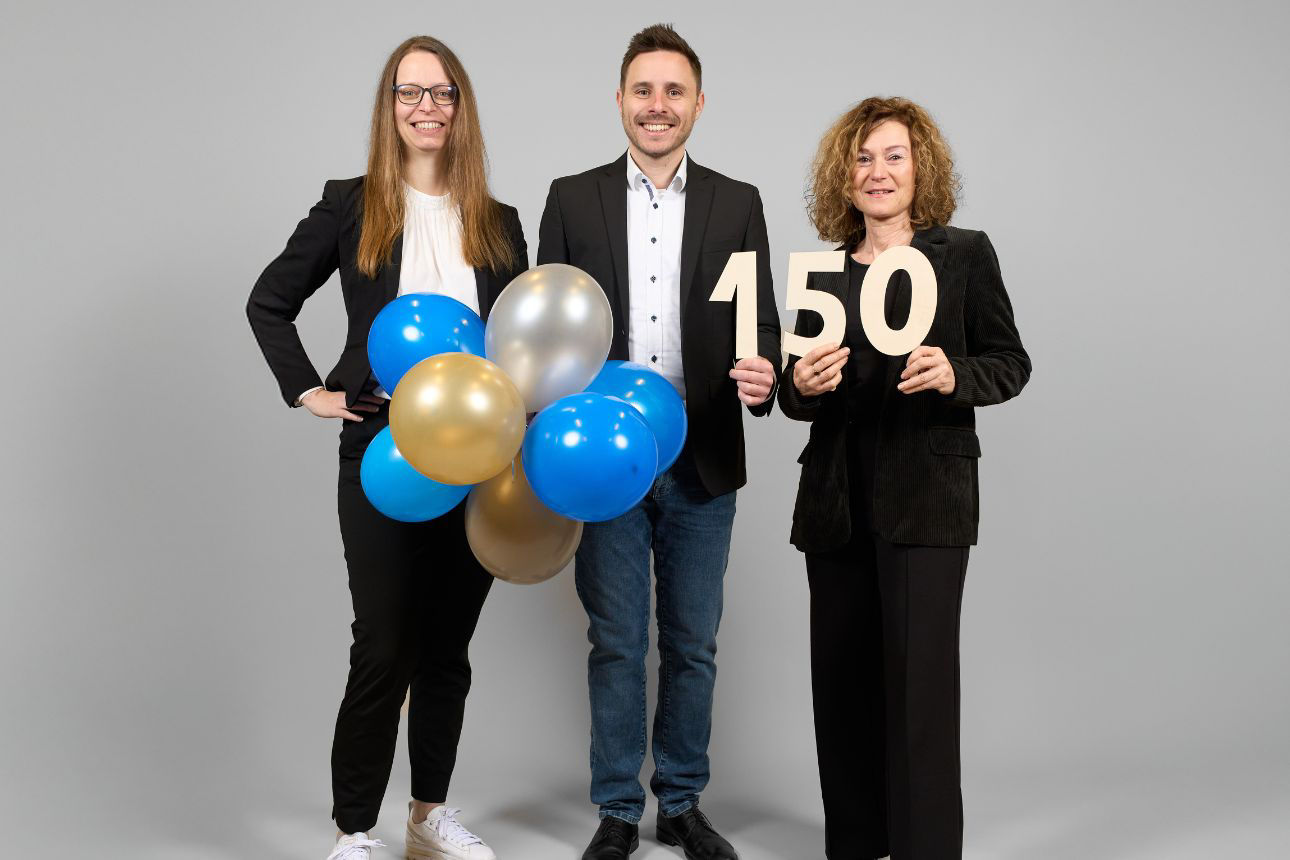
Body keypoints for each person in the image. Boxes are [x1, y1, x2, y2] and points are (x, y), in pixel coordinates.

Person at [246, 35, 527, 860]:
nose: (427, 108)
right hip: (382, 452)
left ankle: (429, 812)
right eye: (411, 94)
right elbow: (269, 303)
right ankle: (354, 829)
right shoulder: (350, 203)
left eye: (442, 94)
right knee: (384, 643)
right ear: (389, 106)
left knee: (447, 648)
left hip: (478, 462)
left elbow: (514, 345)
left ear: (460, 108)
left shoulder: (499, 222)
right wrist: (312, 391)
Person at [537, 23, 780, 860]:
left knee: (692, 642)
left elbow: (764, 328)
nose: (657, 106)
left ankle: (679, 802)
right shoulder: (571, 198)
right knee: (615, 640)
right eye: (643, 90)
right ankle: (615, 809)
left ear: (699, 104)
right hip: (602, 457)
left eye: (674, 91)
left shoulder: (737, 201)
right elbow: (543, 335)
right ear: (619, 101)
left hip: (704, 452)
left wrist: (767, 374)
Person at [779, 97, 1031, 860]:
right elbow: (794, 395)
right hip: (836, 502)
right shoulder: (822, 271)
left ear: (921, 168)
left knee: (919, 691)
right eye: (862, 158)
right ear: (842, 176)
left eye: (893, 155)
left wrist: (954, 371)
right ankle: (855, 844)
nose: (877, 171)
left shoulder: (963, 255)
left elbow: (1011, 363)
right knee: (843, 689)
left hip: (928, 499)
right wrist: (801, 385)